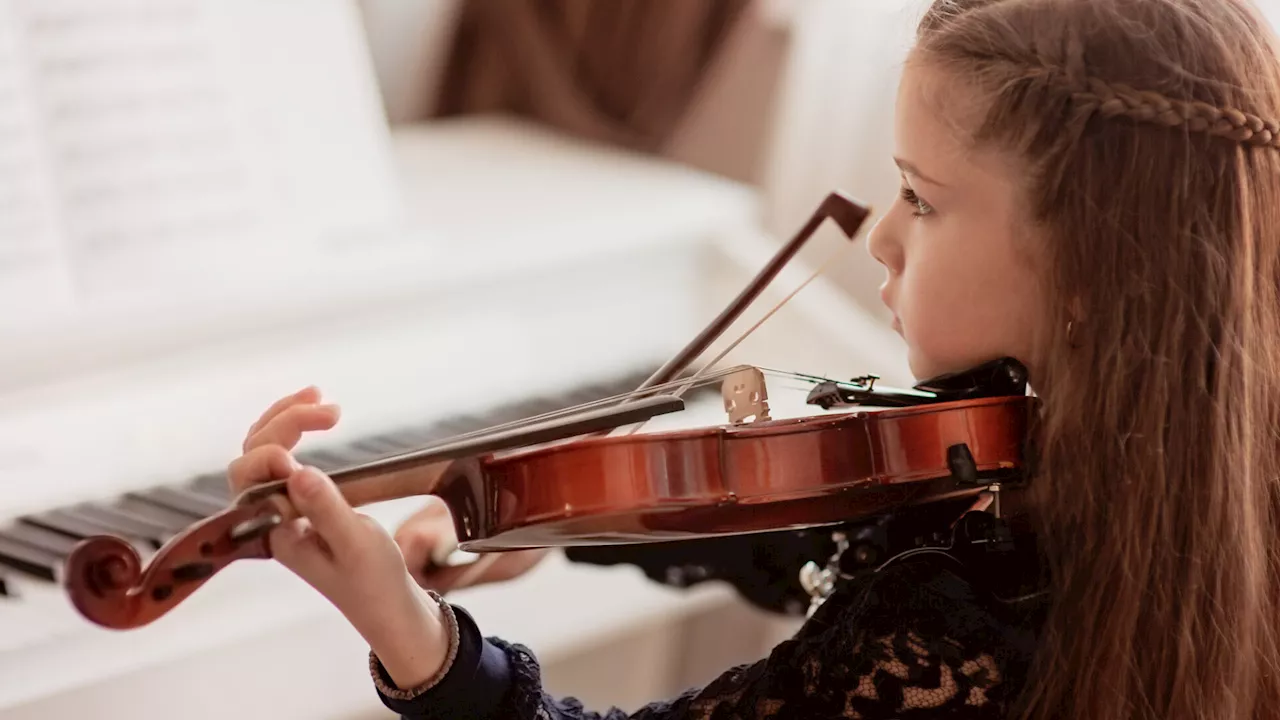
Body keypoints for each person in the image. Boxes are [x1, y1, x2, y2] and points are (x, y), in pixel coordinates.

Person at [225, 0, 1280, 717]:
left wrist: (414, 637)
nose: (880, 235)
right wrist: (569, 519)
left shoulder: (966, 624)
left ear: (1091, 264)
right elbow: (827, 535)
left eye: (920, 197)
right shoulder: (1159, 480)